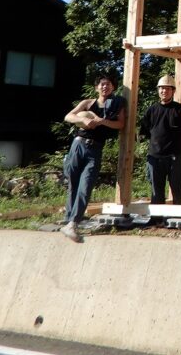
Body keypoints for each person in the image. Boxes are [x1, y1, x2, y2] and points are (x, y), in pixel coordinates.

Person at [60, 71, 126, 242]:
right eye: (102, 84)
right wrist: (84, 120)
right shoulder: (88, 103)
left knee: (86, 184)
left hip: (95, 149)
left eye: (108, 84)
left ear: (113, 87)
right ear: (97, 87)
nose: (105, 86)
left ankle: (73, 222)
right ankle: (69, 219)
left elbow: (121, 124)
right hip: (78, 144)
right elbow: (68, 116)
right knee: (73, 183)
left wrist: (102, 121)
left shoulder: (117, 104)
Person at [138, 74, 181, 207]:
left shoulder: (180, 110)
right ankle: (156, 219)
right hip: (155, 156)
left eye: (167, 88)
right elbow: (144, 132)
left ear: (173, 91)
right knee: (156, 190)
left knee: (178, 189)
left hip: (175, 157)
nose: (164, 91)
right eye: (162, 88)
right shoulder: (152, 110)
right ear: (158, 90)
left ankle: (178, 217)